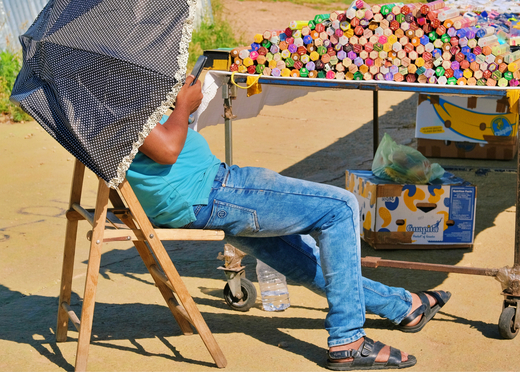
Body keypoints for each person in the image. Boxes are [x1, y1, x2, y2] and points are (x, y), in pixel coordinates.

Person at [127, 75, 451, 370]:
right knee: (340, 207)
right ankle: (348, 339)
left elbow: (154, 142)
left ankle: (402, 306)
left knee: (301, 259)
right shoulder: (102, 98)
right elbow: (168, 150)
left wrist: (175, 105)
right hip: (212, 191)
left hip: (197, 197)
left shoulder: (88, 98)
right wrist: (184, 106)